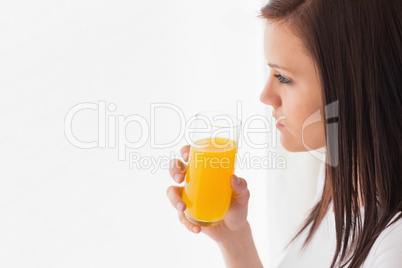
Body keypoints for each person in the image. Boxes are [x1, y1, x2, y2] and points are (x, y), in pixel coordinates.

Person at [167, 0, 402, 267]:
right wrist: (233, 239)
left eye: (283, 78)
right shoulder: (339, 179)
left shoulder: (393, 249)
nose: (265, 96)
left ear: (353, 85)